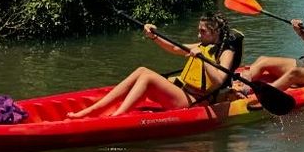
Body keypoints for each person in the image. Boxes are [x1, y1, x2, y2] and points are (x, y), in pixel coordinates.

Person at [68, 14, 243, 118]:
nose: (198, 35)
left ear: (216, 32)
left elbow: (220, 79)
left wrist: (204, 61)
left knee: (148, 77)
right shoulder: (202, 46)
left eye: (202, 31)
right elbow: (175, 47)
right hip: (184, 92)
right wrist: (154, 36)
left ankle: (117, 116)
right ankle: (93, 109)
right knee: (142, 70)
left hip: (197, 101)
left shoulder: (226, 51)